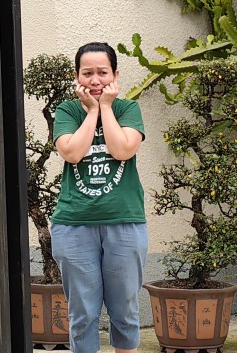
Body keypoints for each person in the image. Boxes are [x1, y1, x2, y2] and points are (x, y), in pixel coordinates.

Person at [51, 42, 147, 353]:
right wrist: (92, 111)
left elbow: (123, 149)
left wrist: (105, 107)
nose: (95, 80)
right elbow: (72, 152)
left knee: (125, 313)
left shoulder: (127, 109)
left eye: (103, 73)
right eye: (87, 73)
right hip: (74, 224)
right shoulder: (67, 111)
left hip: (125, 221)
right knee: (82, 314)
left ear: (115, 75)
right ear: (76, 75)